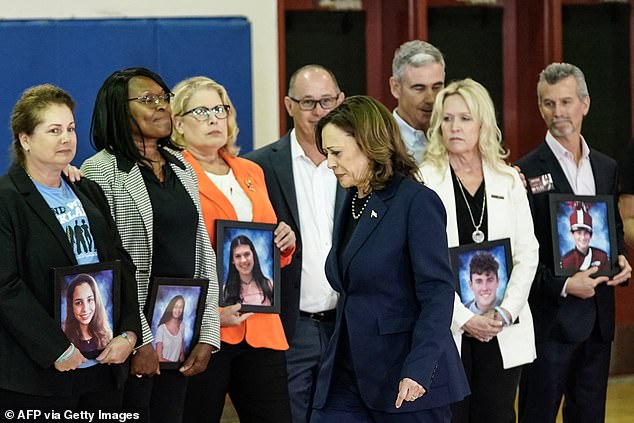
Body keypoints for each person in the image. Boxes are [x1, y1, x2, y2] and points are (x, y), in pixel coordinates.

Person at [310, 95, 469, 422]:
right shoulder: (352, 197)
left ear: (368, 144)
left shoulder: (416, 202)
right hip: (347, 371)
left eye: (336, 153)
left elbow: (438, 293)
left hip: (404, 378)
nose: (329, 162)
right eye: (326, 153)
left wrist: (419, 368)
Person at [80, 67, 220, 423]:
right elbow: (106, 267)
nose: (162, 107)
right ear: (117, 109)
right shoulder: (102, 171)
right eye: (147, 99)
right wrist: (140, 339)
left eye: (164, 98)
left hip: (179, 332)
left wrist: (207, 334)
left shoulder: (182, 167)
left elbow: (204, 251)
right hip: (129, 340)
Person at [0, 84, 140, 411]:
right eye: (54, 130)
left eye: (71, 128)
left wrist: (129, 333)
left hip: (102, 369)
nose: (66, 137)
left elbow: (121, 265)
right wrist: (56, 349)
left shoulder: (88, 190)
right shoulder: (7, 199)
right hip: (37, 375)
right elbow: (6, 286)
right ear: (25, 139)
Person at [170, 76, 295, 422]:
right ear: (178, 123)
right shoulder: (173, 174)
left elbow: (263, 243)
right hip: (208, 329)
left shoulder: (250, 170)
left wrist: (283, 241)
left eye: (220, 109)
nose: (214, 118)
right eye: (202, 111)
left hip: (261, 325)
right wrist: (210, 314)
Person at [516, 62, 632, 423]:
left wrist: (623, 261)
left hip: (598, 321)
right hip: (550, 323)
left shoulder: (606, 166)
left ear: (585, 104)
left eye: (566, 102)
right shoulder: (525, 172)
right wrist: (564, 285)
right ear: (540, 107)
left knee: (590, 417)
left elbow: (611, 227)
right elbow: (525, 254)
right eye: (549, 104)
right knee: (538, 415)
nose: (557, 113)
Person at [420, 78, 539, 423]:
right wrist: (464, 318)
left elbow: (527, 252)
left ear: (483, 123)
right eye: (446, 118)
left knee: (498, 414)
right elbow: (423, 265)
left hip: (503, 326)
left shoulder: (508, 178)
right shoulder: (423, 180)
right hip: (450, 325)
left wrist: (505, 312)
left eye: (464, 118)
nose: (454, 127)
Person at [246, 64, 346, 423]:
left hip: (347, 322)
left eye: (326, 101)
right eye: (308, 102)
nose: (319, 112)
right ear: (288, 105)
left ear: (341, 101)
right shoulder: (257, 167)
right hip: (291, 325)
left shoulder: (360, 165)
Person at [389, 40, 446, 164]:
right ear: (395, 87)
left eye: (437, 87)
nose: (430, 99)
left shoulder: (455, 137)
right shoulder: (378, 142)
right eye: (419, 88)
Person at [64, 273, 113, 354]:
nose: (85, 309)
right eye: (78, 302)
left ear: (96, 302)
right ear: (71, 306)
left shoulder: (108, 336)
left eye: (90, 300)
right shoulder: (64, 340)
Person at [224, 235, 274, 306]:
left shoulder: (270, 285)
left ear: (254, 255)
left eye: (247, 254)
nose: (243, 260)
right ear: (232, 260)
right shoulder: (226, 291)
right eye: (238, 256)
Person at [560, 204, 609, 271]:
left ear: (591, 235)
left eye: (586, 233)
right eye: (579, 233)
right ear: (572, 234)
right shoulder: (566, 261)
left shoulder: (602, 256)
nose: (583, 237)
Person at [155, 295, 186, 363]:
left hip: (176, 370)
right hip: (163, 369)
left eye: (181, 307)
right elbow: (159, 358)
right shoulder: (161, 329)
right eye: (176, 307)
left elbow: (181, 354)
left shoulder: (182, 326)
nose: (178, 310)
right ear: (171, 307)